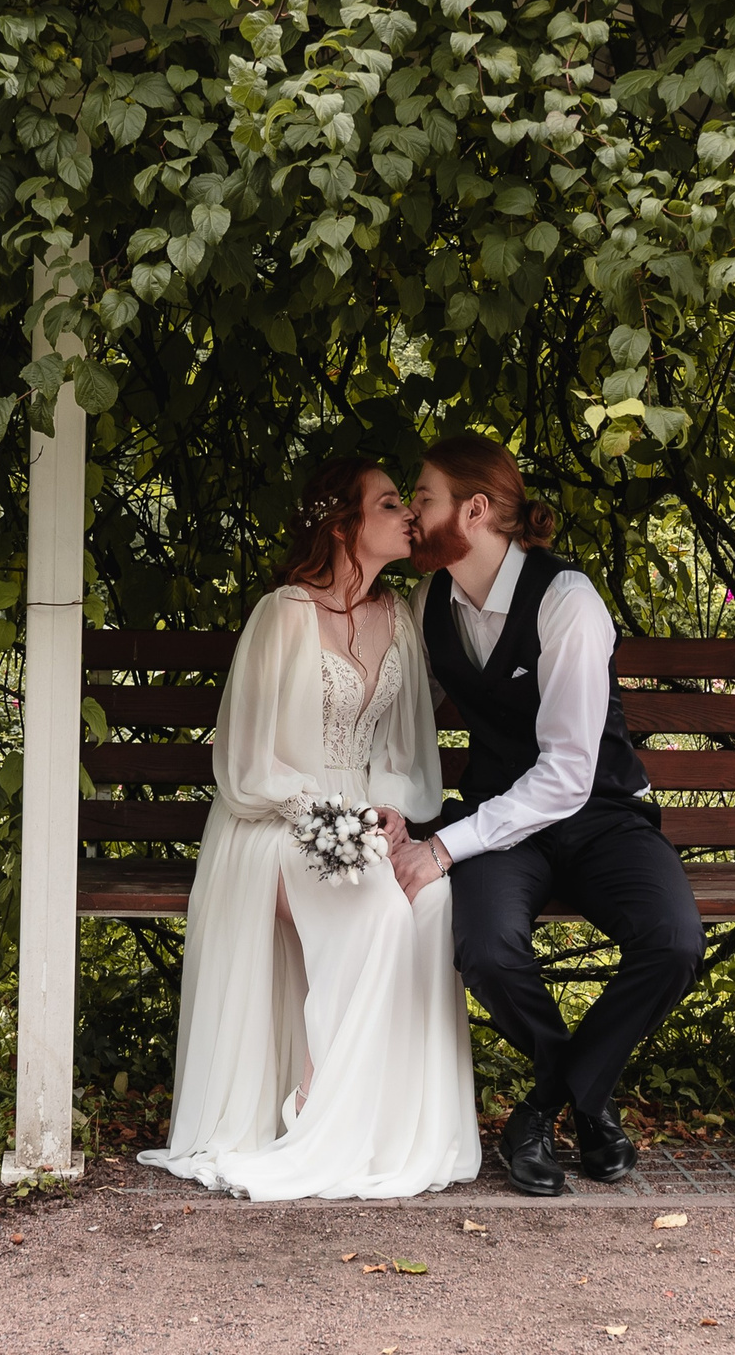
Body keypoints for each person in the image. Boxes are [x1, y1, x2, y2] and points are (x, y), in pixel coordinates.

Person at [137, 458, 479, 1199]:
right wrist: (324, 816)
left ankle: (396, 1129)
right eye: (391, 504)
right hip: (274, 821)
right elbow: (248, 760)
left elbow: (406, 749)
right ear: (343, 524)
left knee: (432, 902)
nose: (408, 515)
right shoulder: (283, 614)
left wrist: (387, 814)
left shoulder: (401, 616)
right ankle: (319, 1101)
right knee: (380, 907)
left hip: (360, 818)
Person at [387, 432, 706, 1196]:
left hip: (599, 816)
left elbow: (568, 774)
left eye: (424, 498)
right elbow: (405, 725)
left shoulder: (567, 603)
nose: (412, 514)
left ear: (475, 508)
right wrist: (391, 807)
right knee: (488, 951)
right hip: (504, 821)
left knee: (673, 943)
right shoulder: (429, 603)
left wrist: (442, 850)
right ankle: (588, 1107)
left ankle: (542, 1107)